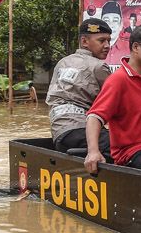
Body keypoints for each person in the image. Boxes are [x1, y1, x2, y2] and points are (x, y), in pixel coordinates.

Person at [84, 25, 141, 174]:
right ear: (136, 47)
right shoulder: (118, 80)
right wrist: (93, 152)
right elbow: (95, 116)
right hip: (132, 150)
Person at [45, 18, 112, 157]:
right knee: (128, 147)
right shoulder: (98, 67)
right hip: (83, 131)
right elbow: (115, 104)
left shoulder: (62, 62)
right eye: (102, 40)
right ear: (84, 42)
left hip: (59, 133)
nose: (107, 45)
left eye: (109, 41)